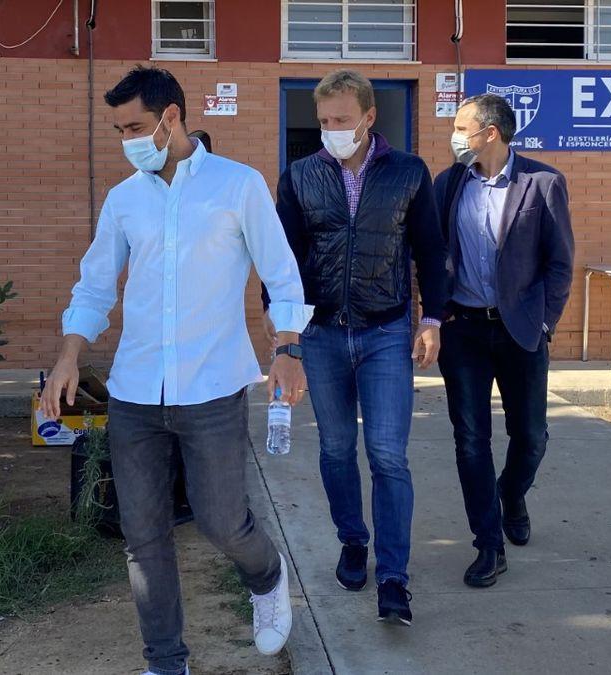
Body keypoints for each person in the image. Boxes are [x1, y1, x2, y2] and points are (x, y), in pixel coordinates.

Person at [40, 66, 312, 675]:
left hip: (212, 389)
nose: (127, 140)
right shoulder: (124, 198)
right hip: (136, 392)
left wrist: (288, 349)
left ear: (171, 118)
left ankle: (266, 575)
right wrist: (68, 354)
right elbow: (94, 285)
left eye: (135, 126)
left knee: (222, 523)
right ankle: (166, 662)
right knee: (143, 536)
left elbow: (281, 275)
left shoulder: (237, 186)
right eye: (118, 130)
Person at [262, 69, 448, 626]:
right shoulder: (299, 176)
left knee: (388, 454)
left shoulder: (409, 172)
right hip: (318, 336)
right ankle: (352, 541)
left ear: (369, 118)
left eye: (341, 120)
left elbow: (431, 253)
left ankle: (393, 576)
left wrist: (431, 318)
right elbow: (281, 263)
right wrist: (285, 342)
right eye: (323, 121)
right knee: (337, 450)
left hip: (386, 331)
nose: (331, 130)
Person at [433, 94, 575, 588]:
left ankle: (512, 494)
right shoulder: (448, 183)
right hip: (464, 330)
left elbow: (560, 263)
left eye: (460, 127)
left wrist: (543, 323)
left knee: (531, 435)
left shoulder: (543, 182)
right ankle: (488, 544)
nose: (454, 136)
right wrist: (436, 314)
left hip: (520, 330)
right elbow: (431, 255)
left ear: (489, 132)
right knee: (471, 440)